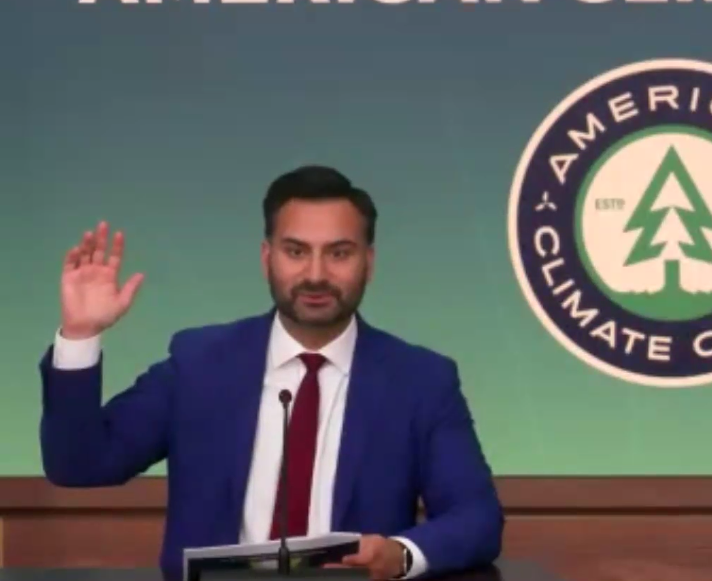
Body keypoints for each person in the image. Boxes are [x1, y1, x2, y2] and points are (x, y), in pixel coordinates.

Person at [39, 165, 504, 580]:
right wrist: (80, 334)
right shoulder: (200, 364)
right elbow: (79, 464)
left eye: (339, 253)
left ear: (369, 262)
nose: (316, 274)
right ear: (267, 258)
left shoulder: (420, 380)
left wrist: (400, 555)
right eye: (296, 251)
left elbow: (477, 517)